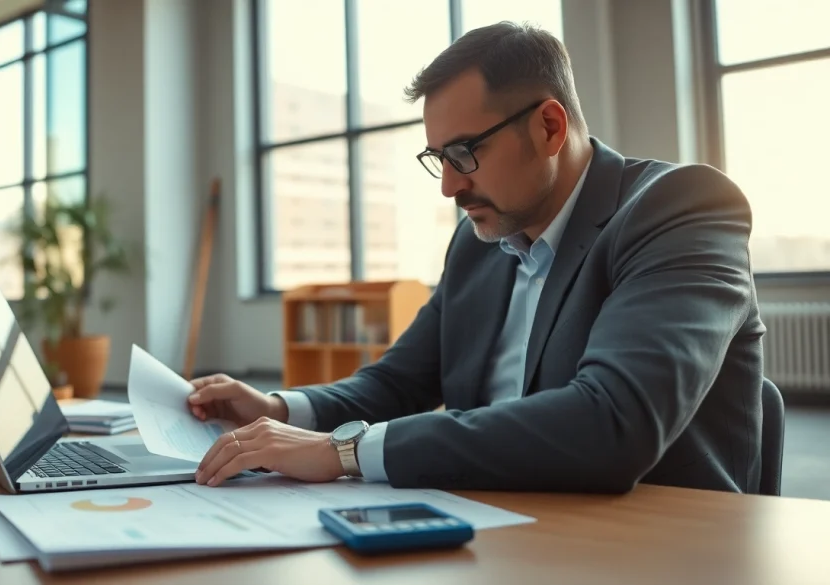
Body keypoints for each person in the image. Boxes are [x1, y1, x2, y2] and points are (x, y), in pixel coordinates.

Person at [188, 21, 765, 494]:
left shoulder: (679, 210)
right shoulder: (479, 241)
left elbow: (612, 423)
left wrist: (344, 452)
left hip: (656, 543)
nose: (448, 187)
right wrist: (280, 410)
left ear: (549, 126)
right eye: (436, 157)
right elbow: (397, 382)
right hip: (493, 522)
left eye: (463, 153)